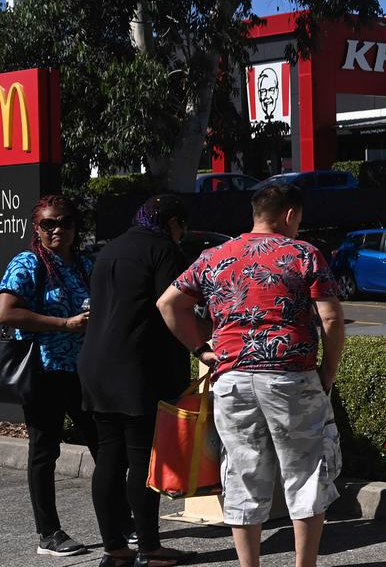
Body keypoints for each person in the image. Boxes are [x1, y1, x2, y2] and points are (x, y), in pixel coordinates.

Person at [157, 184, 345, 567]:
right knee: (305, 472)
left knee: (243, 475)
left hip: (233, 378)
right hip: (291, 376)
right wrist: (327, 372)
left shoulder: (215, 256)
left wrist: (202, 350)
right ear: (290, 215)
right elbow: (330, 317)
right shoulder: (304, 254)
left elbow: (168, 303)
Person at [81, 195, 199, 567]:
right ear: (171, 223)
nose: (181, 234)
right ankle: (150, 548)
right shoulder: (162, 249)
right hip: (136, 367)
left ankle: (114, 549)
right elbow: (174, 306)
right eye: (181, 225)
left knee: (109, 458)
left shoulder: (110, 249)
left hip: (96, 366)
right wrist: (203, 347)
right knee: (142, 460)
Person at [0, 194, 97, 557]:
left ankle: (122, 523)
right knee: (45, 451)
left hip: (84, 369)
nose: (58, 229)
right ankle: (49, 534)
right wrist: (64, 324)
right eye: (48, 224)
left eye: (65, 222)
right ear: (36, 228)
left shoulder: (85, 263)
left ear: (76, 226)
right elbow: (6, 313)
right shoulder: (28, 264)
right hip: (44, 370)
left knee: (104, 445)